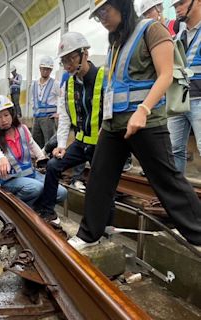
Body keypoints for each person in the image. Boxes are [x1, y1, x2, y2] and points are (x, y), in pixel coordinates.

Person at [69, 0, 201, 250]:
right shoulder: (116, 41)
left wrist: (143, 110)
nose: (102, 18)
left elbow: (165, 74)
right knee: (99, 177)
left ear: (122, 5)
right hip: (113, 124)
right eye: (98, 15)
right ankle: (89, 234)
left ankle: (198, 233)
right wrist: (104, 122)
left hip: (146, 122)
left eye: (105, 11)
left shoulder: (152, 30)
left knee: (166, 179)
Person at [34, 32, 107, 223]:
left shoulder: (102, 76)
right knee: (53, 166)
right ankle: (48, 212)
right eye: (64, 61)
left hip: (102, 143)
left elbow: (111, 113)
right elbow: (65, 117)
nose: (68, 65)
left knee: (101, 185)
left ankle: (104, 225)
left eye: (71, 59)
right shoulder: (69, 84)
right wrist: (61, 145)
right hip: (81, 142)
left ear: (85, 54)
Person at [0, 95, 67, 225]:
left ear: (12, 114)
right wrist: (1, 158)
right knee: (35, 188)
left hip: (31, 175)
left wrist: (42, 157)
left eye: (6, 115)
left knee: (61, 193)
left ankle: (39, 207)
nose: (3, 120)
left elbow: (32, 145)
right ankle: (18, 208)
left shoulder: (23, 129)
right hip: (11, 181)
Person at [167, 0, 201, 173]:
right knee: (173, 151)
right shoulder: (179, 35)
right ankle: (178, 198)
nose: (177, 8)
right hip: (179, 100)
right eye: (174, 5)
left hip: (199, 99)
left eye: (181, 3)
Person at [30, 56, 61, 148]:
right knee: (36, 144)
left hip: (48, 118)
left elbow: (63, 97)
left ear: (51, 70)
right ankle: (38, 161)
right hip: (36, 119)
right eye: (44, 69)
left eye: (48, 69)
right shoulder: (34, 84)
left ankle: (50, 161)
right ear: (40, 68)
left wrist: (59, 113)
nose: (45, 71)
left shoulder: (55, 83)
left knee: (50, 144)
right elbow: (33, 99)